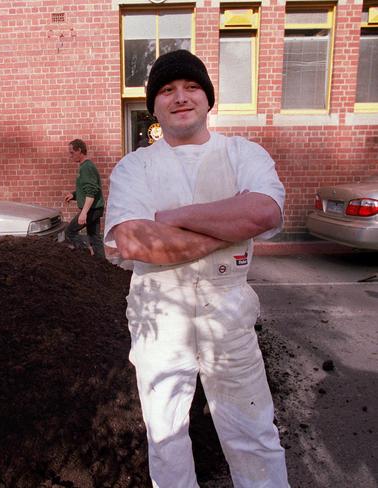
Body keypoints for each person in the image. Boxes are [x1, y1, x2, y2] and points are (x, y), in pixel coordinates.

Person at [104, 50, 290, 487]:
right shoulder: (136, 167)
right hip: (158, 317)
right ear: (154, 106)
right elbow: (135, 241)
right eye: (167, 90)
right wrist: (229, 230)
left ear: (208, 99)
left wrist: (169, 218)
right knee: (166, 433)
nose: (180, 97)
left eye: (191, 87)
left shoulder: (242, 154)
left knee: (253, 430)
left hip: (228, 314)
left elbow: (263, 212)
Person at [64, 139, 105, 258]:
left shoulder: (86, 167)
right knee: (94, 238)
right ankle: (102, 266)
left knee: (70, 232)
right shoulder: (85, 166)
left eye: (72, 152)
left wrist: (83, 213)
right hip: (95, 208)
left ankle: (85, 256)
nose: (70, 156)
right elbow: (86, 188)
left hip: (91, 209)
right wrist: (74, 195)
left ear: (79, 150)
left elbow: (91, 192)